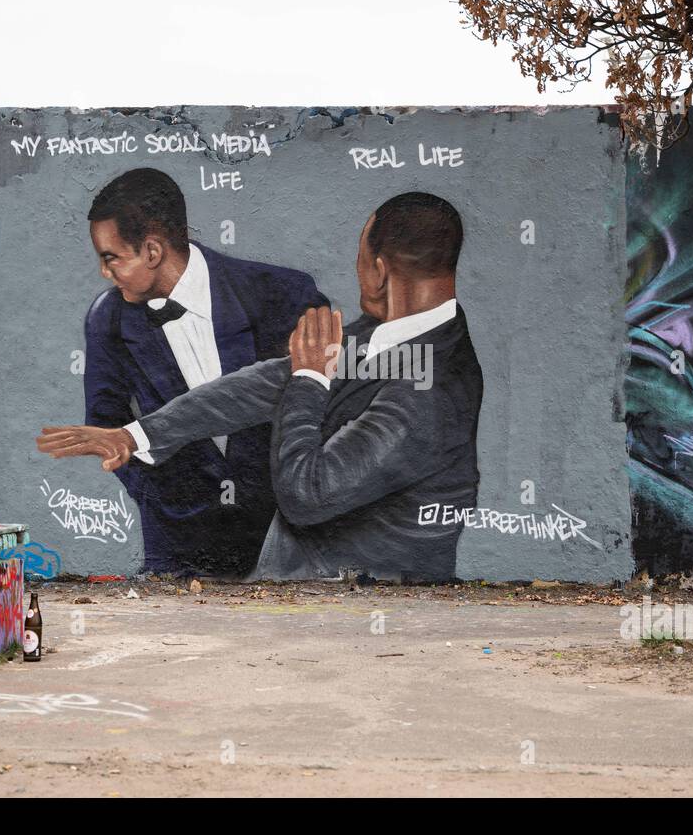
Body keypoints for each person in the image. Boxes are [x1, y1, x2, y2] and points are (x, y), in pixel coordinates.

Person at [40, 192, 483, 582]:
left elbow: (307, 494)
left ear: (380, 271)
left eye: (361, 259)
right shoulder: (386, 337)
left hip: (356, 612)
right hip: (295, 594)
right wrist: (134, 435)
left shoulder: (432, 391)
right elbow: (260, 386)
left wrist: (310, 379)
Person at [79, 167, 326, 576]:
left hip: (283, 542)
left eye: (111, 258)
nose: (105, 272)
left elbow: (318, 396)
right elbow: (105, 421)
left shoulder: (282, 293)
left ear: (153, 251)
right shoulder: (107, 319)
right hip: (179, 549)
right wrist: (157, 495)